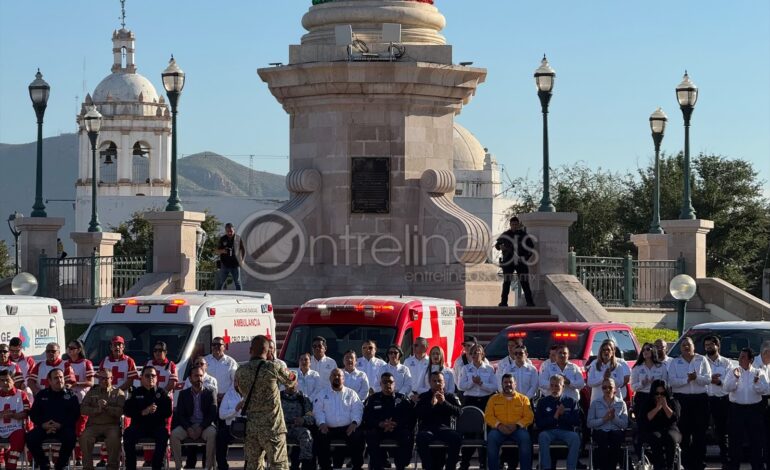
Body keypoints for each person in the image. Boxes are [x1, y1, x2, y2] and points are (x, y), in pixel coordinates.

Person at [235, 335, 298, 470]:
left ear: (250, 350)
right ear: (269, 350)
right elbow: (292, 380)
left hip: (252, 427)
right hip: (273, 427)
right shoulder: (273, 367)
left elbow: (239, 389)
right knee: (278, 465)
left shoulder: (240, 370)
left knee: (253, 465)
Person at [667, 336, 710, 470]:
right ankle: (685, 463)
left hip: (700, 400)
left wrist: (696, 378)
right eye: (683, 345)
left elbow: (708, 379)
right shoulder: (675, 362)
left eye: (688, 344)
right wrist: (687, 380)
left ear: (693, 347)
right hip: (682, 400)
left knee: (700, 434)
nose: (686, 347)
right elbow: (672, 382)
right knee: (684, 432)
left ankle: (699, 463)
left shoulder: (702, 359)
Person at [26, 369, 80, 470]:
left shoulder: (71, 395)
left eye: (61, 377)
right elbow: (33, 414)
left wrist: (61, 425)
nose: (59, 380)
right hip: (44, 427)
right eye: (56, 378)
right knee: (30, 438)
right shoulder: (42, 395)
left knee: (71, 438)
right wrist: (43, 424)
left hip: (63, 427)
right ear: (49, 381)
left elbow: (75, 415)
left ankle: (61, 465)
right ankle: (44, 464)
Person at [723, 347, 766, 470]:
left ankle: (757, 466)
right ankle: (733, 466)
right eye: (740, 356)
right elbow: (726, 388)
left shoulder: (759, 372)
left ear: (750, 360)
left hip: (754, 410)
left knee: (756, 441)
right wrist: (736, 379)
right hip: (737, 410)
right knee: (735, 442)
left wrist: (757, 383)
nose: (740, 359)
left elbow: (765, 390)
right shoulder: (733, 371)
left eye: (743, 357)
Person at [362, 372, 415, 470]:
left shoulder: (402, 399)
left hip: (397, 429)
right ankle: (377, 465)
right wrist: (380, 424)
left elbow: (410, 417)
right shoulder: (373, 399)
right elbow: (367, 418)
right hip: (379, 430)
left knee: (407, 435)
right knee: (371, 435)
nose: (388, 384)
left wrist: (396, 424)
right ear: (380, 384)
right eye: (385, 382)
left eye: (390, 382)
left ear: (395, 384)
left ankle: (401, 465)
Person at [313, 368, 364, 470]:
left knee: (358, 436)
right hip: (328, 428)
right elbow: (318, 411)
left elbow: (357, 410)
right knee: (320, 436)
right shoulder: (322, 394)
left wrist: (354, 423)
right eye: (334, 375)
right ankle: (325, 466)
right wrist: (322, 423)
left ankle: (357, 466)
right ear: (330, 378)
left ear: (343, 379)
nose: (336, 377)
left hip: (347, 427)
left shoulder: (351, 394)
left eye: (339, 375)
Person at [123, 366, 172, 470]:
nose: (151, 378)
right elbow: (127, 411)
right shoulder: (136, 392)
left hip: (156, 427)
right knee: (127, 434)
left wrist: (156, 411)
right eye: (147, 375)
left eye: (153, 375)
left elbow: (168, 412)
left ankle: (157, 466)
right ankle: (131, 467)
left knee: (163, 435)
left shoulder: (162, 393)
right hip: (139, 426)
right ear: (141, 378)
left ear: (157, 378)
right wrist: (142, 412)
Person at [460, 343, 499, 470]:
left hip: (485, 401)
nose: (476, 355)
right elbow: (461, 386)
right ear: (470, 355)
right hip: (470, 401)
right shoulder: (465, 369)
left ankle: (483, 463)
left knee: (484, 433)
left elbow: (494, 387)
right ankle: (464, 463)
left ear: (483, 354)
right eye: (473, 353)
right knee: (469, 433)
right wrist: (472, 382)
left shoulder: (489, 369)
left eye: (479, 352)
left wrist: (481, 383)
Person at [171, 367, 218, 470]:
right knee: (174, 435)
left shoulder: (210, 392)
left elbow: (212, 414)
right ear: (190, 378)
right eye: (196, 376)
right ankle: (179, 467)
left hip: (205, 425)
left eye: (201, 376)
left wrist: (201, 427)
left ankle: (208, 467)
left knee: (212, 434)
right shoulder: (184, 394)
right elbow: (181, 415)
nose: (199, 378)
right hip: (188, 426)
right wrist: (189, 428)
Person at [485, 374, 534, 470]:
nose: (508, 384)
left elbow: (529, 416)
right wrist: (499, 425)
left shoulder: (523, 399)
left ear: (515, 384)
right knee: (491, 438)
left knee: (525, 439)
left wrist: (517, 425)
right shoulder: (493, 399)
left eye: (510, 382)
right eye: (505, 382)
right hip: (499, 429)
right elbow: (488, 416)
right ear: (502, 384)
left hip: (518, 429)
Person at [415, 371, 463, 470]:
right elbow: (417, 414)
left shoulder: (450, 396)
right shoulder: (423, 396)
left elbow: (459, 412)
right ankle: (428, 467)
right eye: (434, 381)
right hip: (427, 429)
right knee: (421, 437)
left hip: (444, 429)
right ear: (430, 382)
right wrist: (431, 405)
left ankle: (450, 467)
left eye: (439, 381)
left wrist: (444, 403)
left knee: (456, 438)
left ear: (444, 383)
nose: (437, 383)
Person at [79, 369, 125, 470]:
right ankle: (87, 467)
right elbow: (83, 409)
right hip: (94, 425)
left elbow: (121, 411)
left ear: (112, 379)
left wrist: (107, 407)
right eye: (101, 378)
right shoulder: (92, 392)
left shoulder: (118, 393)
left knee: (114, 438)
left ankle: (112, 467)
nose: (104, 380)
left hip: (111, 425)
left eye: (106, 378)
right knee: (84, 437)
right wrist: (97, 410)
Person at [536, 375, 582, 470]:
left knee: (575, 437)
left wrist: (564, 414)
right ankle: (546, 467)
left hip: (566, 431)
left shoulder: (571, 401)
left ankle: (571, 467)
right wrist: (555, 416)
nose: (554, 388)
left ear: (563, 387)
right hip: (549, 431)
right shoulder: (542, 402)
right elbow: (539, 423)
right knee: (542, 436)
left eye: (557, 386)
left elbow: (577, 421)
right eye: (552, 385)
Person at [637, 379, 681, 470]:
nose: (659, 396)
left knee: (670, 438)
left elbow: (674, 418)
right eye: (657, 393)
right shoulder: (647, 402)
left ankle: (670, 467)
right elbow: (645, 419)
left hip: (670, 429)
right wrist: (657, 408)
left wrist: (665, 406)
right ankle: (659, 466)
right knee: (655, 438)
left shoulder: (673, 401)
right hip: (653, 429)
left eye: (662, 394)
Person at [704, 335, 733, 467]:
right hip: (704, 400)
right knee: (702, 431)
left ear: (717, 346)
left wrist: (719, 381)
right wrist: (709, 379)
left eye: (711, 345)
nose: (708, 347)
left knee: (722, 433)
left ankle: (725, 462)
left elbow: (731, 382)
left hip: (722, 401)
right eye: (706, 345)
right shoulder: (700, 361)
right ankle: (700, 461)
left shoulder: (727, 363)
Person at [587, 378, 628, 470]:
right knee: (602, 439)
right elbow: (589, 423)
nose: (607, 390)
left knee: (615, 439)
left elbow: (625, 425)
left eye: (610, 387)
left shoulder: (621, 403)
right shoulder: (595, 403)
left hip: (616, 431)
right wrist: (604, 419)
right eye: (604, 387)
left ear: (615, 389)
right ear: (602, 389)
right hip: (600, 431)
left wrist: (614, 418)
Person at [65, 339, 94, 465]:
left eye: (73, 348)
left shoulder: (86, 363)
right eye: (69, 348)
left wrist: (76, 384)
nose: (70, 350)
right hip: (69, 399)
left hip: (83, 399)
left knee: (80, 430)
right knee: (69, 428)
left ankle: (79, 457)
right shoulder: (65, 364)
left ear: (79, 350)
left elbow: (91, 382)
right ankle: (68, 456)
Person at [494, 216, 535, 307]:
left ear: (518, 225)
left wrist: (524, 257)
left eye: (516, 224)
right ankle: (504, 302)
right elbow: (497, 245)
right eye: (513, 224)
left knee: (524, 282)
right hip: (508, 262)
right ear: (510, 225)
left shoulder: (523, 235)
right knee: (507, 282)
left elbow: (531, 248)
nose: (514, 226)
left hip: (520, 262)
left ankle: (530, 302)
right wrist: (501, 247)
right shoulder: (505, 234)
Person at [280, 381, 315, 470]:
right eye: (289, 383)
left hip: (297, 428)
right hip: (281, 428)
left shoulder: (303, 398)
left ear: (297, 383)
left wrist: (303, 419)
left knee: (306, 434)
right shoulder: (278, 397)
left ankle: (306, 464)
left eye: (293, 383)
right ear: (284, 384)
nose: (291, 385)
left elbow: (311, 417)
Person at [0, 369, 29, 470]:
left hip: (15, 428)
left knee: (20, 436)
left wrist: (14, 415)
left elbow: (26, 412)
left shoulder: (21, 394)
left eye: (7, 380)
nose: (4, 383)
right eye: (1, 380)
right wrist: (1, 415)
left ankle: (11, 466)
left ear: (13, 380)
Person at [631, 342, 667, 412]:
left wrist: (656, 385)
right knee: (642, 421)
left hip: (657, 397)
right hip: (642, 397)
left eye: (647, 349)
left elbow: (666, 384)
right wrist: (642, 383)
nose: (645, 351)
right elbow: (632, 387)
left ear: (653, 350)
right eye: (643, 350)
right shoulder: (637, 368)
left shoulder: (661, 366)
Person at [216, 379, 243, 470]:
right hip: (231, 427)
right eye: (236, 380)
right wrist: (235, 410)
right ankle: (222, 466)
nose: (238, 383)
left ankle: (250, 465)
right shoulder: (229, 394)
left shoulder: (253, 393)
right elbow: (222, 415)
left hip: (247, 427)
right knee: (220, 436)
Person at [204, 337, 237, 402]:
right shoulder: (205, 361)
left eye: (219, 345)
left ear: (224, 347)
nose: (216, 346)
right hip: (208, 398)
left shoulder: (231, 362)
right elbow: (202, 378)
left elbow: (235, 381)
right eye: (213, 345)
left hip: (226, 398)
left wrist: (226, 394)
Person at [215, 222, 244, 290]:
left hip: (235, 264)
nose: (229, 233)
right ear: (226, 231)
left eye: (231, 231)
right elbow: (217, 250)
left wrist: (242, 260)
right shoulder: (223, 239)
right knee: (221, 282)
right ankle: (217, 296)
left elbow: (243, 250)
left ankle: (240, 298)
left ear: (234, 230)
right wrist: (223, 251)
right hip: (225, 264)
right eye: (228, 231)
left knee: (237, 282)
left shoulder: (238, 239)